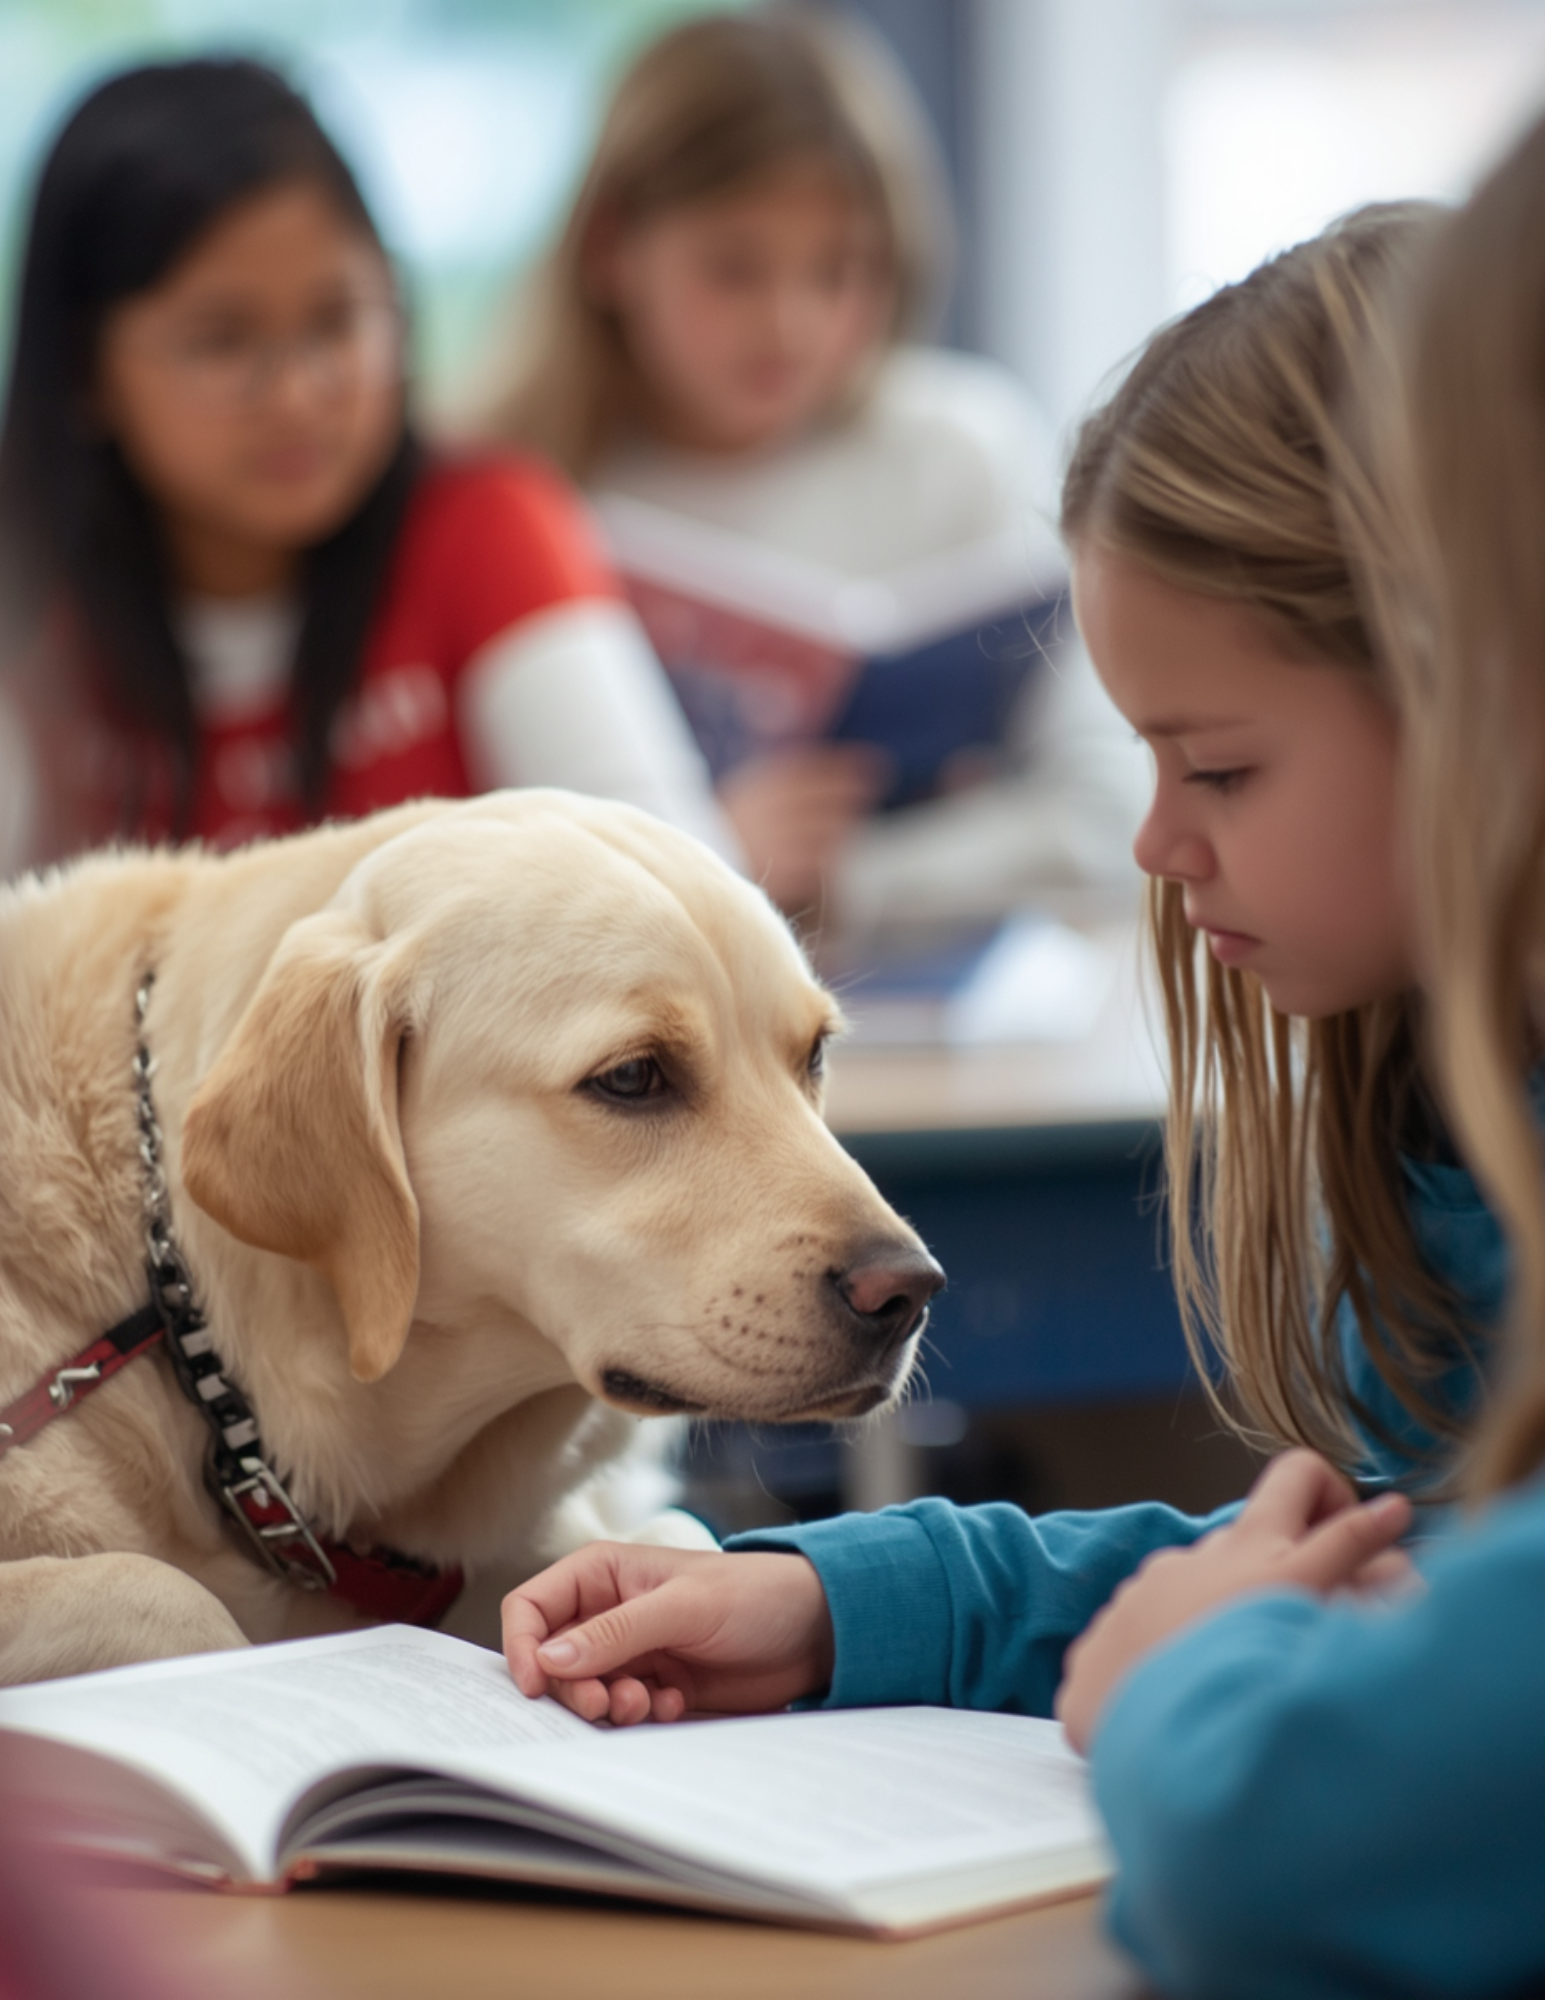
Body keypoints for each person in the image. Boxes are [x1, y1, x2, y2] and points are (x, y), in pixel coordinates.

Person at [501, 203, 1545, 1995]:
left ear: (1484, 699)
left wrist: (1172, 1692)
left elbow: (1278, 1835)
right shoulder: (1445, 1116)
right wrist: (843, 1604)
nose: (1156, 839)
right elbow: (1387, 1571)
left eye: (1218, 762)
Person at [484, 9, 1146, 928]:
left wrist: (855, 875)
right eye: (733, 269)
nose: (789, 323)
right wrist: (712, 849)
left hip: (961, 1023)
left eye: (838, 272)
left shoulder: (960, 450)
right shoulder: (518, 491)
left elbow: (1115, 811)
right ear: (609, 249)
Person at [0, 58, 730, 876]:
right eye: (223, 340)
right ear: (82, 370)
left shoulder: (488, 527)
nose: (298, 394)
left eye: (337, 321)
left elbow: (677, 894)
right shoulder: (27, 599)